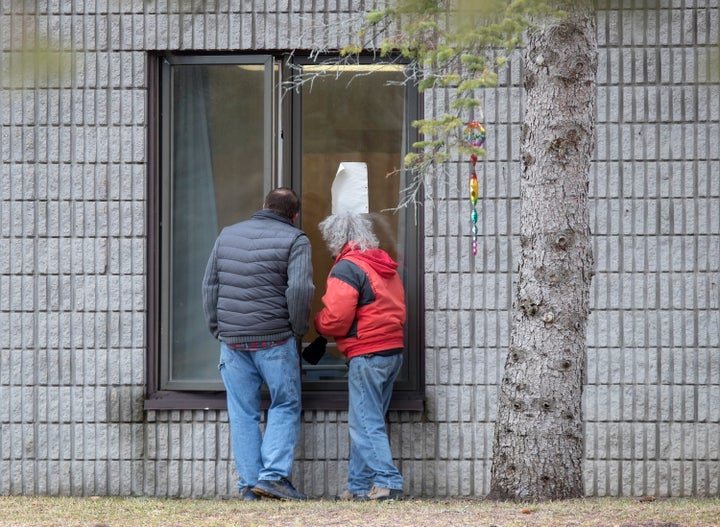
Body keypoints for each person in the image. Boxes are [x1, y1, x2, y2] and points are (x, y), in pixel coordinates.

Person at [202, 187, 314, 501]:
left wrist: (218, 328)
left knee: (242, 412)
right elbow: (301, 290)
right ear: (294, 216)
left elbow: (210, 285)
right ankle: (273, 478)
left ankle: (250, 485)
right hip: (275, 339)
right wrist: (297, 331)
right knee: (285, 404)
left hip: (233, 342)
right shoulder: (296, 239)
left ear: (263, 205)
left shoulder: (227, 235)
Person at [313, 213, 406, 501]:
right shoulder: (381, 264)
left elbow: (336, 319)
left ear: (335, 238)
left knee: (364, 423)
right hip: (392, 351)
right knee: (370, 420)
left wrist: (317, 323)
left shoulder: (347, 268)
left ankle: (388, 482)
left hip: (368, 353)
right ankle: (358, 487)